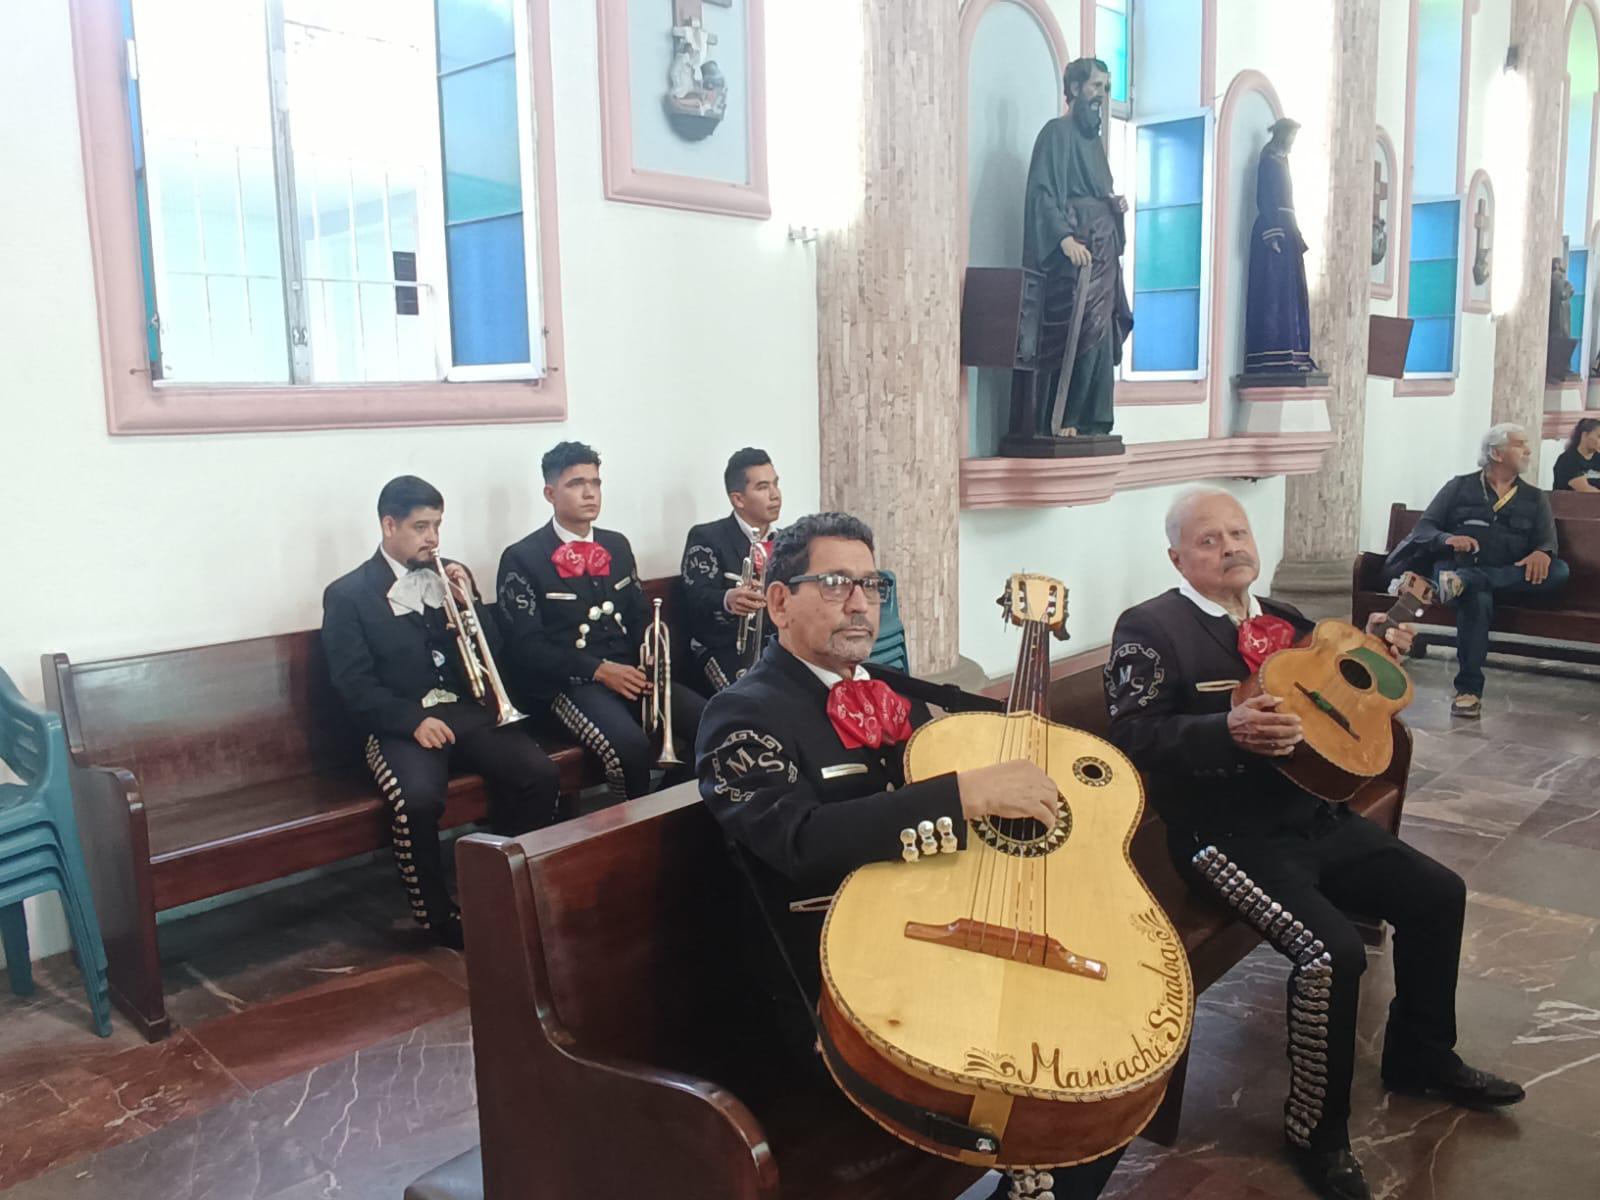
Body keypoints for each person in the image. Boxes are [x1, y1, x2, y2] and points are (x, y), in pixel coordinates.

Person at [1105, 488, 1524, 1200]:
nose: (1231, 545)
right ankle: (1315, 1131)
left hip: (1314, 819)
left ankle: (1421, 1056)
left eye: (1239, 532)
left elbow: (1353, 698)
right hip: (1223, 838)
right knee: (1332, 951)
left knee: (1438, 894)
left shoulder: (1288, 622)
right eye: (1209, 540)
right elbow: (1129, 738)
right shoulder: (1151, 628)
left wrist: (1387, 657)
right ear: (1178, 556)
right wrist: (1223, 730)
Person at [696, 512, 1124, 1200]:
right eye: (835, 583)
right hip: (833, 984)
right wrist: (959, 793)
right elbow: (796, 842)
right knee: (1059, 1104)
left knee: (1108, 1063)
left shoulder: (893, 692)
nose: (861, 602)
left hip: (930, 939)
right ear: (779, 601)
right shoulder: (744, 713)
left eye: (872, 584)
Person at [321, 476, 561, 949]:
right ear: (389, 525)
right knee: (417, 798)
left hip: (463, 711)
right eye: (420, 527)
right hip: (398, 723)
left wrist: (472, 603)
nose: (432, 538)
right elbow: (353, 683)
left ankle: (502, 884)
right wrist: (410, 721)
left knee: (538, 773)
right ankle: (436, 915)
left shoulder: (450, 572)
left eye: (437, 525)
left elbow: (491, 653)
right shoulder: (348, 594)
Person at [497, 441, 704, 802]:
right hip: (569, 684)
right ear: (550, 493)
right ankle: (633, 834)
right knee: (631, 747)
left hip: (631, 674)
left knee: (714, 722)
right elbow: (526, 648)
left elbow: (641, 614)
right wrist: (599, 670)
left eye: (595, 482)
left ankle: (668, 814)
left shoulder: (617, 545)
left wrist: (652, 659)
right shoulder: (521, 558)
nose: (589, 492)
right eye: (576, 484)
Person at [1408, 423, 1571, 718]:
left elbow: (1548, 543)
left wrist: (1542, 553)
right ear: (1497, 453)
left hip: (1500, 576)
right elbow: (1423, 529)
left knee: (1559, 571)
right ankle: (1469, 690)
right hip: (1457, 567)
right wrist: (1448, 539)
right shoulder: (1459, 486)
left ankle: (1465, 582)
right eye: (1520, 444)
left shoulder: (1535, 497)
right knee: (1477, 597)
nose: (1528, 450)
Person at [1017, 56, 1132, 440]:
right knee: (1077, 331)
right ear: (1076, 89)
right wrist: (1064, 239)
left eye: (1106, 88)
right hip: (1076, 254)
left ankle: (1093, 419)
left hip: (1103, 252)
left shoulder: (1094, 144)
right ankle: (1062, 416)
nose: (1102, 95)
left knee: (1100, 335)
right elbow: (1043, 193)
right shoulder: (1056, 134)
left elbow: (1096, 193)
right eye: (1096, 86)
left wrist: (1113, 207)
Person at [680, 447, 783, 692]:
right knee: (750, 703)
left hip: (774, 647)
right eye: (762, 487)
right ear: (738, 499)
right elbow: (695, 596)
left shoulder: (786, 540)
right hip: (722, 649)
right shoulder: (707, 537)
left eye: (776, 484)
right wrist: (727, 599)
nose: (775, 495)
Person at [1244, 118, 1318, 376]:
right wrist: (1272, 233)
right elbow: (1265, 199)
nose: (1293, 143)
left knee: (1291, 295)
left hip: (1288, 229)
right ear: (1282, 135)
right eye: (1291, 137)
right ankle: (1273, 353)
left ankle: (1294, 351)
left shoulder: (1283, 162)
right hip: (1274, 231)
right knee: (1275, 295)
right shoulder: (1268, 162)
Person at [1552, 416, 1600, 492]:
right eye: (1599, 436)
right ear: (1584, 435)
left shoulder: (1598, 459)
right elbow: (1586, 490)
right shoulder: (1567, 459)